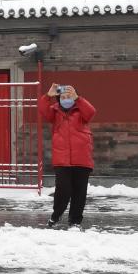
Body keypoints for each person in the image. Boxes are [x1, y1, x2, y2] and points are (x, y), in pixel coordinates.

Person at [39, 83, 96, 230]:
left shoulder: (81, 110)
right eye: (63, 97)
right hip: (62, 160)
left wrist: (78, 98)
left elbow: (91, 112)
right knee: (62, 190)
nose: (66, 99)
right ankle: (55, 216)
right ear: (59, 99)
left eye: (69, 96)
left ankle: (75, 221)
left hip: (82, 159)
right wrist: (48, 96)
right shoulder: (55, 112)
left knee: (79, 192)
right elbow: (43, 111)